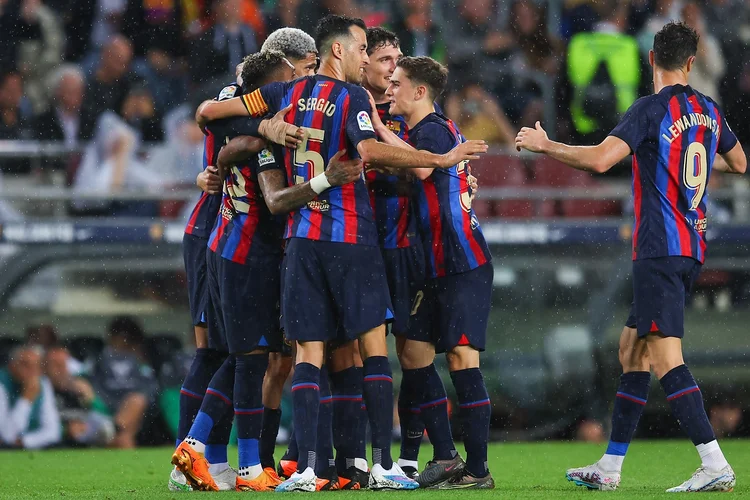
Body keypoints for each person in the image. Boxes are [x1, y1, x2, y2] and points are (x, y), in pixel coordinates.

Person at [195, 14, 487, 492]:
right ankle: (380, 463)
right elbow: (369, 150)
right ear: (338, 52)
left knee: (308, 353)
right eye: (359, 49)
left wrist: (265, 126)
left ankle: (309, 467)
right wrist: (440, 159)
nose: (364, 58)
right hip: (351, 238)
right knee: (372, 349)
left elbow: (210, 113)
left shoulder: (281, 94)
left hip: (299, 239)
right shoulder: (351, 97)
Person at [515, 21, 746, 493]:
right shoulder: (706, 108)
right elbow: (740, 162)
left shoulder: (650, 110)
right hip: (691, 245)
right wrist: (692, 146)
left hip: (659, 247)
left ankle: (715, 462)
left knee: (665, 358)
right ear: (690, 63)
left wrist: (546, 145)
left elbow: (601, 160)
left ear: (650, 59)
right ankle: (611, 466)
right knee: (631, 350)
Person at [173, 50, 363, 492]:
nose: (296, 88)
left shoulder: (239, 125)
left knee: (241, 358)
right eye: (290, 78)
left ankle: (213, 458)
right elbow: (274, 198)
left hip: (226, 246)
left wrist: (221, 163)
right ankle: (231, 460)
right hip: (246, 256)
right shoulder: (263, 137)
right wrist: (326, 179)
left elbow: (221, 132)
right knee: (249, 361)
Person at [376, 56, 495, 489]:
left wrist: (376, 124)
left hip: (462, 262)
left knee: (462, 357)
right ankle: (445, 457)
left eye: (397, 83)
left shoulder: (431, 131)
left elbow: (424, 166)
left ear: (420, 92)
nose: (390, 90)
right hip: (434, 265)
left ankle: (478, 470)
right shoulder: (427, 131)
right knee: (414, 355)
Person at [361, 27, 464, 487]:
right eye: (384, 59)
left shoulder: (420, 119)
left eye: (396, 61)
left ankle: (408, 456)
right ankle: (343, 457)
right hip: (359, 243)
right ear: (364, 63)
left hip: (405, 246)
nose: (391, 69)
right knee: (350, 353)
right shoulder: (351, 109)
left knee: (411, 350)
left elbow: (440, 167)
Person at [0, 345, 61, 450]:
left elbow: (54, 431)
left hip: (27, 449)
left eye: (36, 366)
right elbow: (6, 435)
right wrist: (26, 399)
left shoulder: (43, 383)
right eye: (26, 365)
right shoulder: (2, 383)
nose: (32, 372)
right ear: (12, 365)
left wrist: (25, 441)